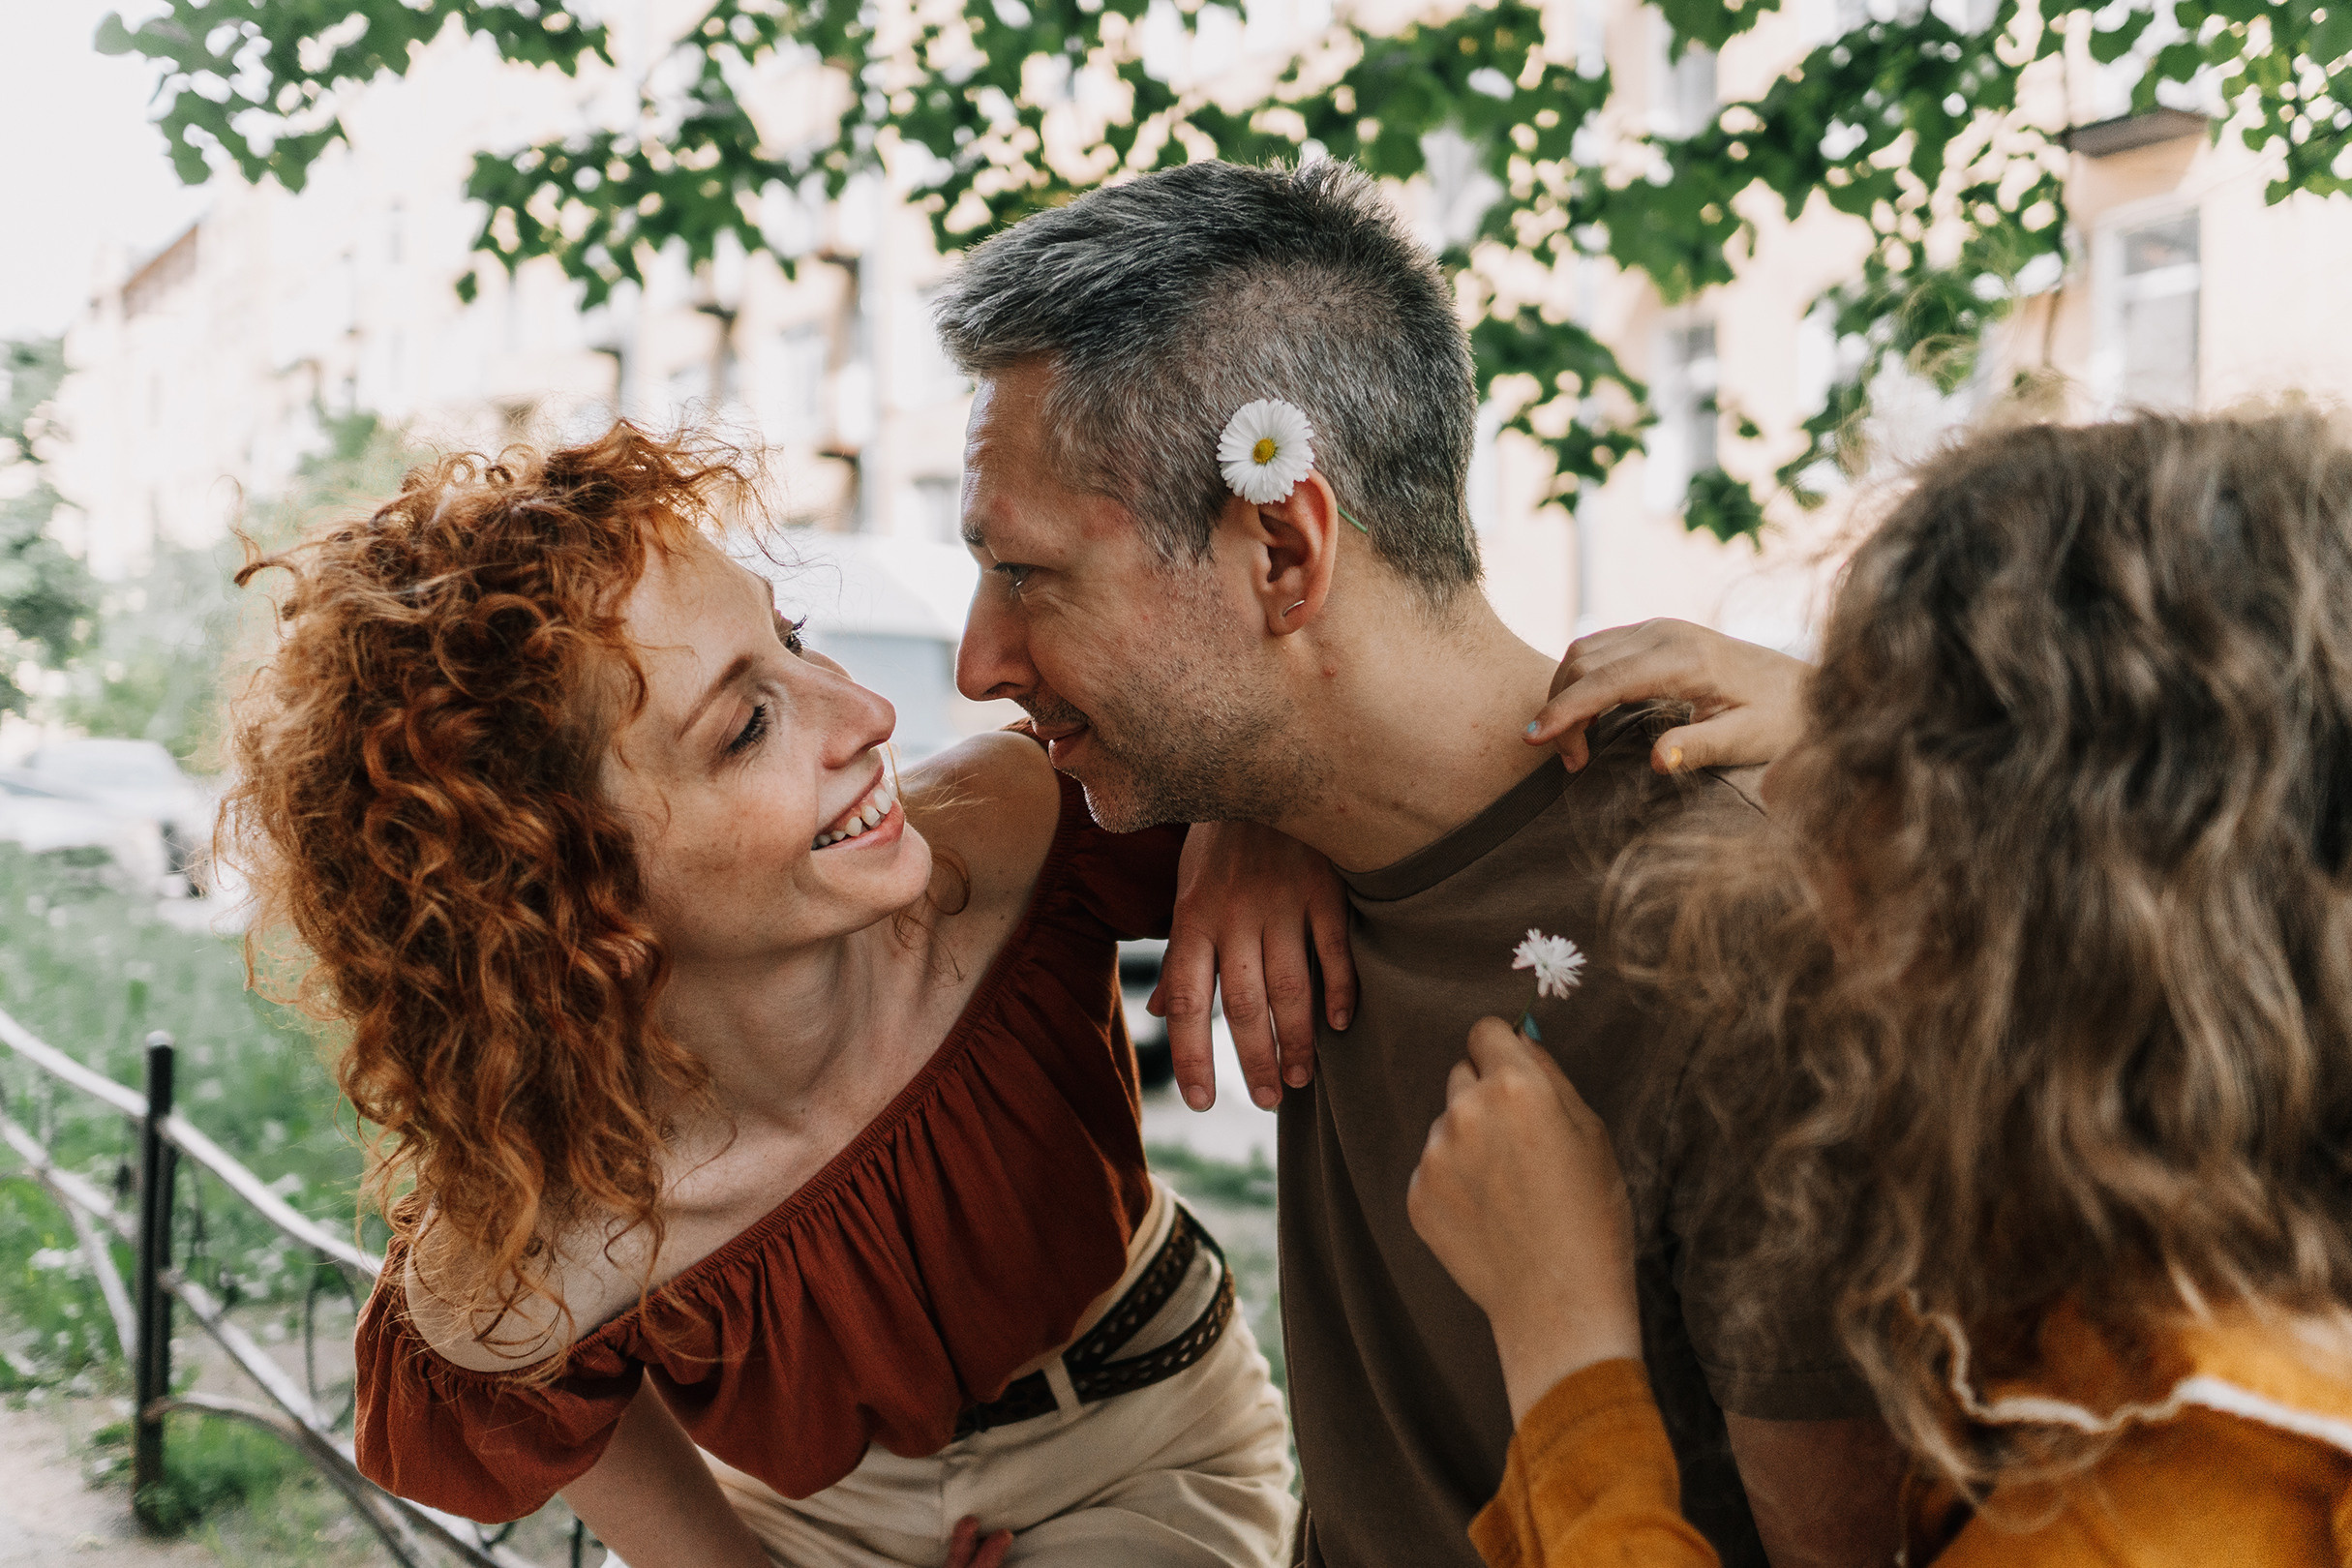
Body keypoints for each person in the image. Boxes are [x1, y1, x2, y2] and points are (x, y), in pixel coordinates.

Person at [931, 157, 1903, 1568]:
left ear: (1281, 549)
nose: (976, 663)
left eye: (1024, 574)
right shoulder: (1271, 806)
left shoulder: (1740, 949)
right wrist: (1244, 808)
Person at [223, 426, 1321, 1568]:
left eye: (792, 640)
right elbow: (506, 1385)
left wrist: (1257, 816)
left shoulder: (1002, 838)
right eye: (748, 725)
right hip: (812, 1521)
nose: (866, 718)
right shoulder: (553, 1212)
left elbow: (1351, 759)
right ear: (556, 893)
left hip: (1144, 1435)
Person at [1408, 409, 2352, 1566]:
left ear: (2035, 917)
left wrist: (1567, 1352)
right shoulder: (2251, 1268)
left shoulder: (2154, 1516)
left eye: (1871, 795)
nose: (1806, 871)